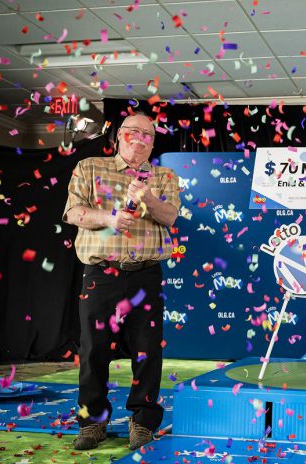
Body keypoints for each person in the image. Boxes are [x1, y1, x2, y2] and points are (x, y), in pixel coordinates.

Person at [63, 112, 180, 451]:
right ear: (118, 136)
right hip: (102, 274)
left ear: (154, 142)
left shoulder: (164, 176)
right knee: (93, 351)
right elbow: (73, 213)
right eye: (132, 131)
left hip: (146, 273)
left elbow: (170, 216)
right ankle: (93, 423)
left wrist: (149, 200)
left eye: (148, 134)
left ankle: (142, 422)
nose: (140, 138)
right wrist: (109, 217)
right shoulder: (89, 167)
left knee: (147, 352)